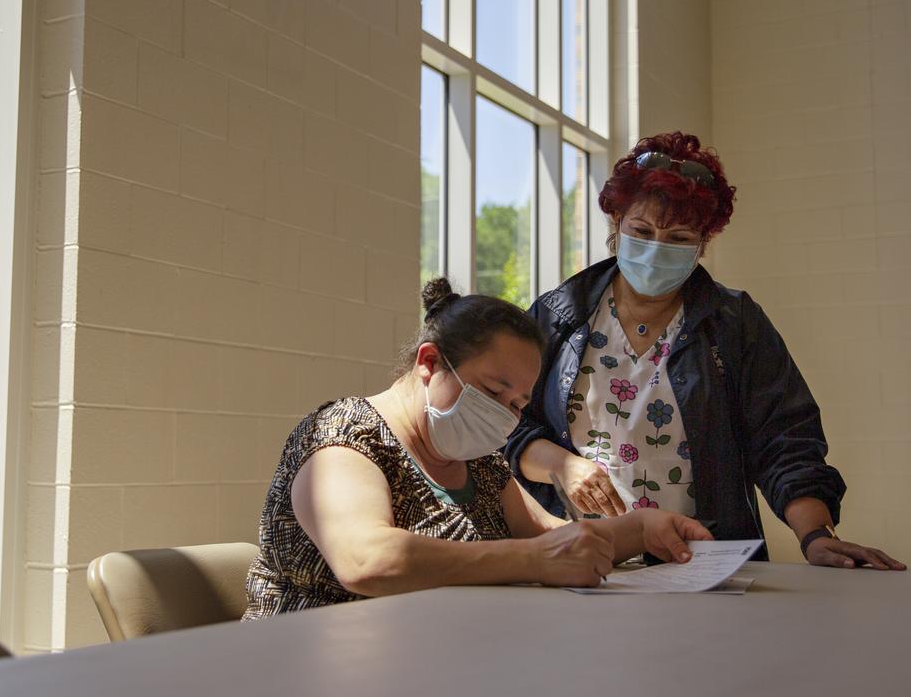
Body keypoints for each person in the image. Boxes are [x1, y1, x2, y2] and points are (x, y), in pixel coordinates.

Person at [504, 130, 905, 571]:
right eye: (641, 231)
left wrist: (816, 536)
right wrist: (562, 465)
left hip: (700, 561)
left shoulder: (733, 323)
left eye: (678, 238)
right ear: (616, 221)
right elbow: (506, 425)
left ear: (703, 243)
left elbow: (785, 440)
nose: (656, 250)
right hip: (579, 556)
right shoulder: (558, 315)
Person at [242, 279, 712, 619]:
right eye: (492, 391)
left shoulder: (479, 463)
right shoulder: (343, 435)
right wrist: (534, 560)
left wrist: (643, 528)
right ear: (430, 362)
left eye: (517, 404)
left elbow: (552, 536)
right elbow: (367, 560)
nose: (503, 414)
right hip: (311, 672)